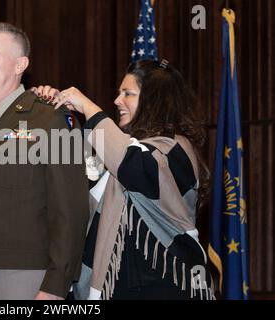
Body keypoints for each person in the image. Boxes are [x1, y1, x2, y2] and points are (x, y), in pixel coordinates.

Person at [32, 59, 215, 300]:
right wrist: (48, 108)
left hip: (167, 284)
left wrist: (87, 106)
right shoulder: (114, 152)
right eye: (119, 93)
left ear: (155, 100)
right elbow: (76, 168)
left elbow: (133, 166)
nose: (117, 101)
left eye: (128, 93)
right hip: (118, 286)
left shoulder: (176, 149)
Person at [0, 22, 89, 300]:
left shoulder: (51, 118)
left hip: (26, 276)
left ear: (20, 64)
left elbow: (70, 209)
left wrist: (56, 286)